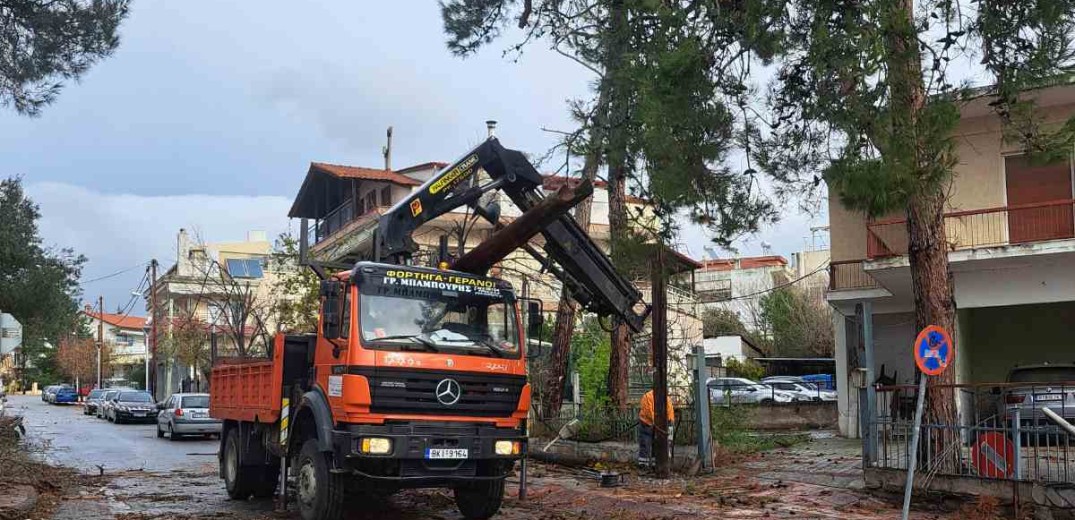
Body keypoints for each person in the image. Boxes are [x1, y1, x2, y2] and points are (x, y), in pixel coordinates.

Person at [637, 389, 674, 467]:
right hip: (648, 423)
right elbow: (649, 413)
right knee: (648, 443)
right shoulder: (663, 398)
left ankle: (648, 463)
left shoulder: (649, 396)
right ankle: (646, 463)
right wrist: (661, 423)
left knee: (649, 443)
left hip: (653, 423)